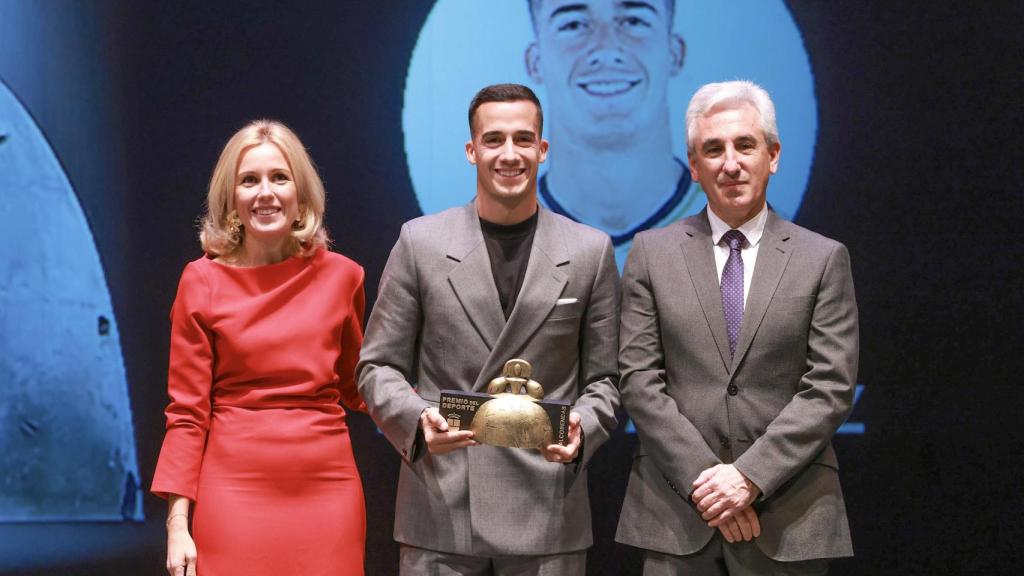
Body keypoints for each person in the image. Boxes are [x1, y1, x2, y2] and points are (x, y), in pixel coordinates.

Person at [357, 83, 620, 576]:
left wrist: (583, 427)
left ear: (543, 149)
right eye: (494, 139)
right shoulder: (421, 243)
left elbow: (607, 378)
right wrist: (417, 420)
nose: (509, 154)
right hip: (442, 508)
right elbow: (377, 366)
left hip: (548, 509)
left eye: (523, 139)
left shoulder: (589, 251)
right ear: (471, 150)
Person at [615, 80, 857, 574]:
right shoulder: (650, 253)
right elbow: (638, 381)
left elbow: (830, 387)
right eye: (713, 150)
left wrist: (749, 478)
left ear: (773, 155)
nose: (730, 164)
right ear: (693, 166)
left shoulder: (823, 258)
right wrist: (710, 481)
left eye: (745, 145)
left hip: (789, 516)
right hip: (677, 514)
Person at [151, 120, 368, 576]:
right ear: (231, 199)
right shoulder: (201, 281)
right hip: (233, 494)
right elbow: (188, 413)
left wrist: (434, 409)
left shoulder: (344, 276)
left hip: (327, 493)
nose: (265, 193)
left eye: (279, 178)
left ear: (301, 195)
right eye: (249, 180)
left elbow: (360, 387)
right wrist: (177, 523)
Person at [524, 0, 696, 265]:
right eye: (573, 25)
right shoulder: (493, 238)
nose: (606, 49)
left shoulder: (736, 227)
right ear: (536, 62)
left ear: (674, 53)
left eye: (633, 21)